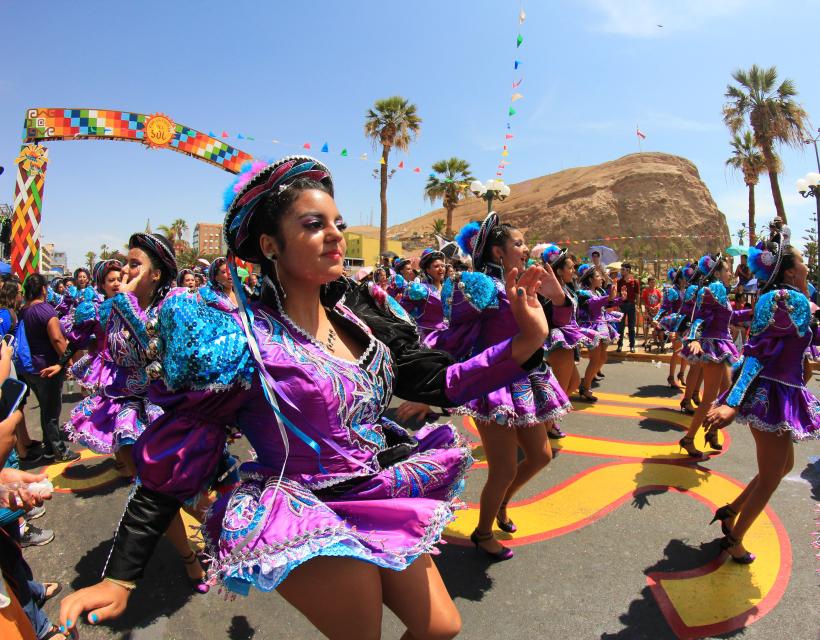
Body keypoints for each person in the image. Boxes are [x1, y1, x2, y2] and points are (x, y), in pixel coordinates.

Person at [58, 157, 551, 638]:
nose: (336, 233)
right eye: (314, 224)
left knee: (440, 626)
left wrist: (524, 343)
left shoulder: (358, 318)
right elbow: (180, 454)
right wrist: (121, 574)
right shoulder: (243, 341)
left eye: (336, 221)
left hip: (376, 489)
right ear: (270, 244)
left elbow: (438, 384)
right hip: (304, 508)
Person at [438, 215, 570, 559]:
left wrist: (558, 298)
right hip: (494, 381)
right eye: (518, 244)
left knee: (540, 456)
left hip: (527, 378)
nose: (526, 249)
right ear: (498, 251)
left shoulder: (525, 284)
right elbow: (453, 324)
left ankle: (501, 502)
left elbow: (559, 326)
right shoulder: (482, 285)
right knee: (505, 467)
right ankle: (483, 533)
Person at [704, 240, 819, 563]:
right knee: (770, 477)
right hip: (771, 394)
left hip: (783, 390)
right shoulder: (786, 299)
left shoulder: (793, 298)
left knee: (784, 466)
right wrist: (733, 402)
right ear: (791, 270)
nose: (807, 262)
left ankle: (731, 510)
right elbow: (756, 353)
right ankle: (734, 539)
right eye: (802, 259)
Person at [677, 254, 743, 457]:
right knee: (710, 398)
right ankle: (688, 439)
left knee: (724, 392)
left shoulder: (721, 290)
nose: (730, 273)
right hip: (713, 345)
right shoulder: (714, 288)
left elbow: (727, 316)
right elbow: (700, 316)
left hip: (721, 343)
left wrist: (752, 313)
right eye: (726, 269)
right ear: (717, 272)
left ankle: (712, 433)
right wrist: (694, 338)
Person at [16, 275, 78, 464]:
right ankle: (59, 451)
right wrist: (68, 363)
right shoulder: (45, 310)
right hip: (48, 368)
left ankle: (50, 448)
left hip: (30, 369)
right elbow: (57, 339)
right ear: (44, 289)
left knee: (45, 409)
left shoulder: (24, 310)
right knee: (51, 412)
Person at [538, 244, 600, 405]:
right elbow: (557, 318)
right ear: (559, 271)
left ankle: (548, 424)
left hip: (568, 340)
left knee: (572, 384)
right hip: (559, 341)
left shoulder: (567, 288)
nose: (573, 271)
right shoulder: (552, 291)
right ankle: (548, 426)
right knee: (560, 390)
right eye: (570, 268)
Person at [576, 264, 619, 399]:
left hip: (602, 326)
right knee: (594, 360)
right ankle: (585, 388)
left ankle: (585, 382)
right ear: (590, 279)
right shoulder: (583, 293)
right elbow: (593, 304)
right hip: (592, 328)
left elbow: (606, 304)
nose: (601, 279)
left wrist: (619, 298)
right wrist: (608, 298)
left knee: (602, 358)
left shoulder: (599, 292)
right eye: (598, 276)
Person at [399, 248, 448, 339]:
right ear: (427, 270)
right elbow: (402, 311)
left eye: (443, 266)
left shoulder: (449, 288)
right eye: (436, 266)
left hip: (448, 335)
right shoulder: (420, 289)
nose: (441, 268)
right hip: (428, 339)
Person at [616, 263, 639, 353]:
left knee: (631, 327)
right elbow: (618, 294)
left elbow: (637, 295)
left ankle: (632, 345)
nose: (621, 271)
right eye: (621, 269)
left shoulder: (635, 282)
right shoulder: (620, 281)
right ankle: (619, 345)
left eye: (623, 269)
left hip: (631, 305)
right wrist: (617, 305)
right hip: (622, 305)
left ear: (628, 270)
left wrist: (637, 305)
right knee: (621, 327)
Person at [640, 276, 661, 343]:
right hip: (648, 312)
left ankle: (655, 340)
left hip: (656, 312)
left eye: (654, 282)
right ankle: (645, 341)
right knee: (646, 326)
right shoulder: (645, 291)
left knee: (656, 326)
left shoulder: (657, 291)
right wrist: (649, 307)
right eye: (651, 282)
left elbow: (660, 301)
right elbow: (642, 301)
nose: (653, 284)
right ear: (648, 283)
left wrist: (657, 306)